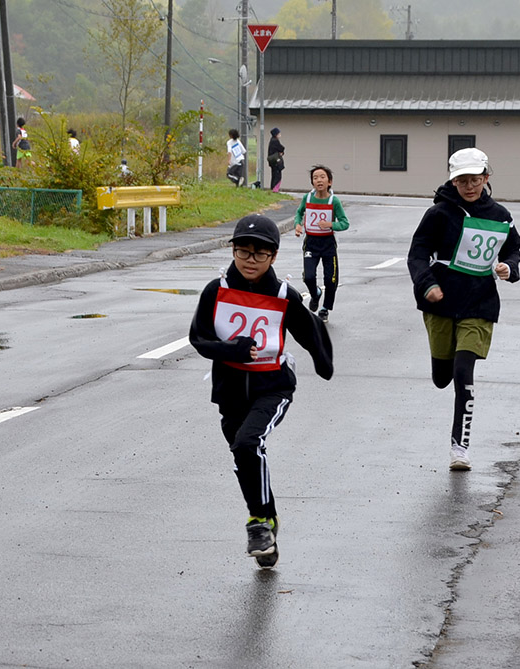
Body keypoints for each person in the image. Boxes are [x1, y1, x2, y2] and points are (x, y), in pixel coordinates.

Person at [189, 214, 334, 568]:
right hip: (230, 389)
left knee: (248, 443)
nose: (250, 260)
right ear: (233, 251)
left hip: (274, 386)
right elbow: (199, 338)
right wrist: (230, 350)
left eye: (260, 253)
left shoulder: (283, 295)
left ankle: (258, 524)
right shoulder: (216, 290)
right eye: (243, 251)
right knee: (243, 455)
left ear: (273, 256)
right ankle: (265, 521)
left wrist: (323, 361)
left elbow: (309, 328)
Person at [407, 147, 520, 471]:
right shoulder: (439, 214)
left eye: (475, 179)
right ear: (453, 181)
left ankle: (460, 447)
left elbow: (514, 251)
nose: (469, 186)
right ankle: (440, 365)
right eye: (462, 181)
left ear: (486, 178)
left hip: (480, 303)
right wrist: (426, 284)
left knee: (463, 371)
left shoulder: (500, 215)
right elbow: (417, 254)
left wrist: (508, 269)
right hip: (442, 302)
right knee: (442, 376)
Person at [293, 165, 350, 322]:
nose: (319, 180)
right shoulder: (308, 198)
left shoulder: (334, 201)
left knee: (331, 279)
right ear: (312, 182)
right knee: (309, 276)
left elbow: (345, 223)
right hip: (311, 242)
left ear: (329, 182)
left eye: (322, 177)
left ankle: (325, 308)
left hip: (328, 244)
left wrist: (330, 224)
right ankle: (315, 293)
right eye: (315, 178)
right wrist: (298, 225)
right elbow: (299, 214)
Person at [267, 128, 285, 192]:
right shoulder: (275, 141)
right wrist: (281, 152)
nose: (280, 135)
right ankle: (275, 189)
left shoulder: (272, 140)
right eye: (279, 133)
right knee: (277, 176)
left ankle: (273, 188)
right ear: (276, 134)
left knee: (274, 175)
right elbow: (281, 148)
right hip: (276, 161)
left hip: (273, 161)